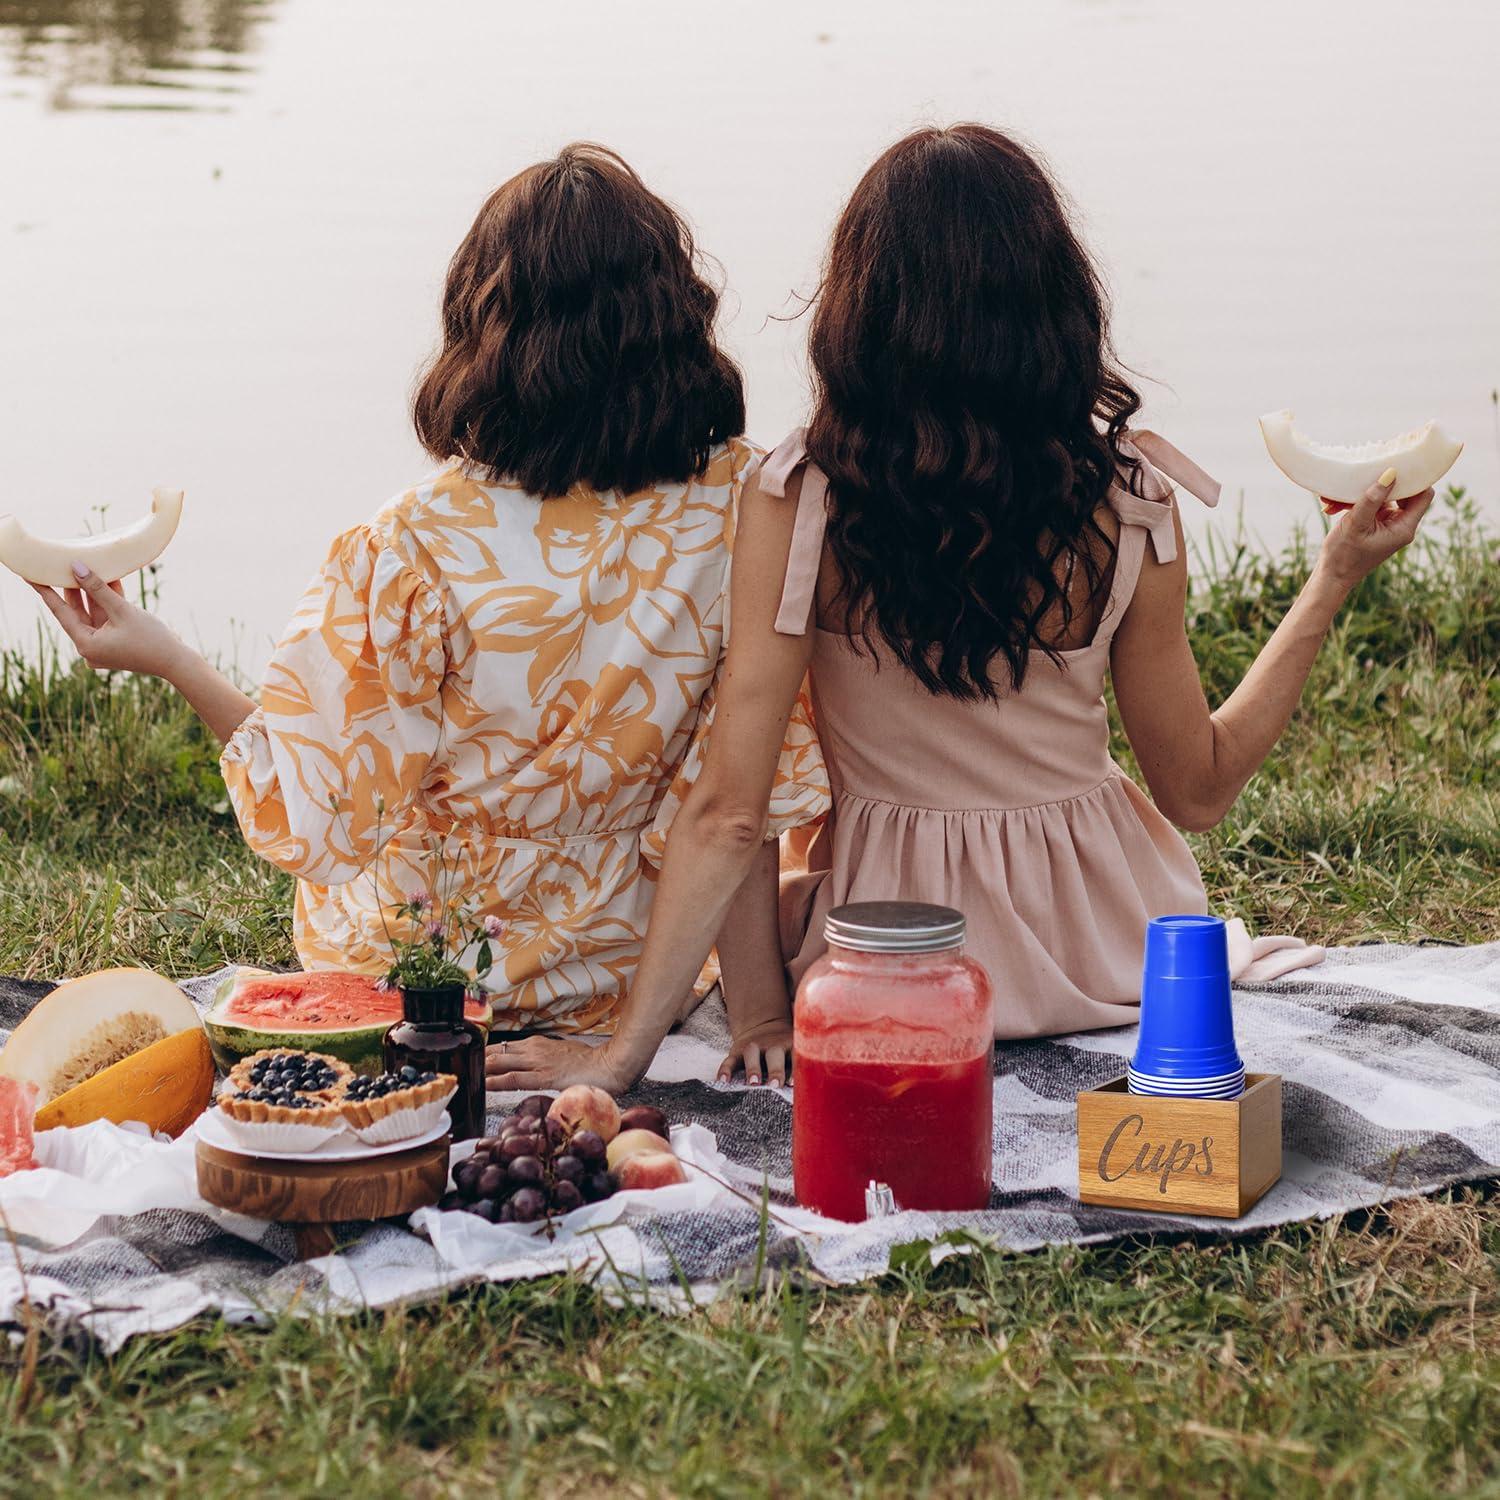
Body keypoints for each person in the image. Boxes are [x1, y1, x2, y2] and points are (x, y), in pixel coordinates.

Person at [486, 123, 1433, 1094]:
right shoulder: (1135, 497)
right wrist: (1334, 575)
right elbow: (1198, 791)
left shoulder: (802, 499)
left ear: (859, 312)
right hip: (1113, 952)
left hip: (889, 960)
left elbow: (733, 809)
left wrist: (618, 1060)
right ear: (1058, 304)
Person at [32, 143, 827, 1046]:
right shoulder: (745, 507)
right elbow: (741, 801)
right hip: (632, 974)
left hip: (426, 981)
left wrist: (165, 657)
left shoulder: (414, 544)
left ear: (484, 325)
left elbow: (317, 808)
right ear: (675, 316)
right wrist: (758, 1014)